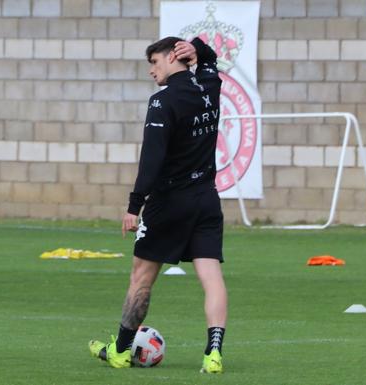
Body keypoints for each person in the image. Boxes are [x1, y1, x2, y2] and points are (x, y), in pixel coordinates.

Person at [89, 36, 227, 374]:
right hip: (207, 198)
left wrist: (134, 205)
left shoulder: (162, 100)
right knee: (211, 277)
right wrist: (198, 47)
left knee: (141, 277)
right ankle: (214, 354)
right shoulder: (208, 87)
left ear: (171, 58)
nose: (152, 70)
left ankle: (120, 351)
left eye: (154, 62)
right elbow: (210, 61)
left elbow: (151, 158)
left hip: (169, 202)